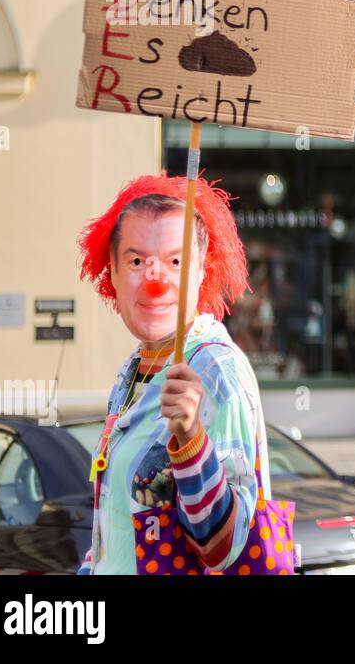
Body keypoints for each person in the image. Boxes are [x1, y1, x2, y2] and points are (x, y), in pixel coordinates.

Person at [75, 174, 271, 574]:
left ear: (202, 271)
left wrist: (190, 437)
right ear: (110, 270)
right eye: (136, 261)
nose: (156, 280)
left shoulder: (215, 372)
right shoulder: (135, 369)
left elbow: (224, 547)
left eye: (176, 261)